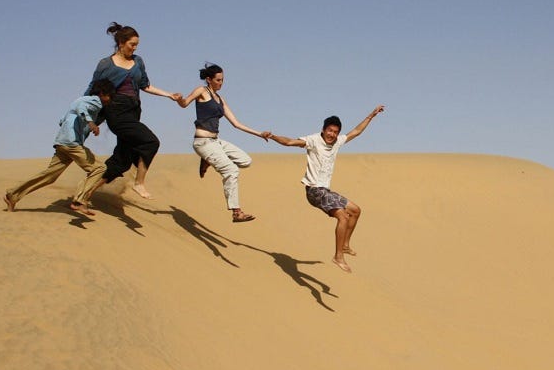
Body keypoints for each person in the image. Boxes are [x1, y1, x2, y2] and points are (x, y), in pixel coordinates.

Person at [263, 105, 385, 273]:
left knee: (356, 211)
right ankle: (338, 256)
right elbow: (290, 142)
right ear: (323, 130)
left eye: (335, 132)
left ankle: (346, 245)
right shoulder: (313, 140)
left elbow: (356, 131)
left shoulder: (337, 142)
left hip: (325, 191)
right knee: (343, 216)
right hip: (314, 191)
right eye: (329, 131)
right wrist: (274, 136)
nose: (332, 134)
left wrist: (371, 116)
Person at [84, 22, 181, 200]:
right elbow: (92, 89)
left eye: (137, 45)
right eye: (132, 44)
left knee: (122, 160)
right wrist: (85, 116)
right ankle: (139, 183)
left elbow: (145, 85)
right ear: (121, 43)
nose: (134, 48)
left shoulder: (138, 62)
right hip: (116, 111)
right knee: (150, 142)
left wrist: (169, 95)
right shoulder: (105, 64)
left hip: (133, 111)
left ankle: (84, 193)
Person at [4, 80, 115, 216]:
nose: (109, 100)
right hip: (71, 143)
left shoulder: (79, 100)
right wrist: (91, 123)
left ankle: (13, 195)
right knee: (99, 168)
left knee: (50, 176)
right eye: (110, 96)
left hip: (62, 141)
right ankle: (79, 201)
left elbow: (62, 120)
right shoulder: (95, 101)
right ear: (102, 93)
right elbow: (81, 108)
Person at [176, 63, 269, 223]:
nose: (221, 83)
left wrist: (259, 134)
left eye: (222, 80)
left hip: (215, 141)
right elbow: (185, 103)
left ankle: (207, 160)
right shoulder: (201, 91)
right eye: (218, 80)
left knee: (246, 161)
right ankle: (236, 212)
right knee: (231, 170)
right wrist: (179, 99)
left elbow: (236, 123)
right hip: (203, 142)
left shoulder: (220, 99)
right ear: (209, 79)